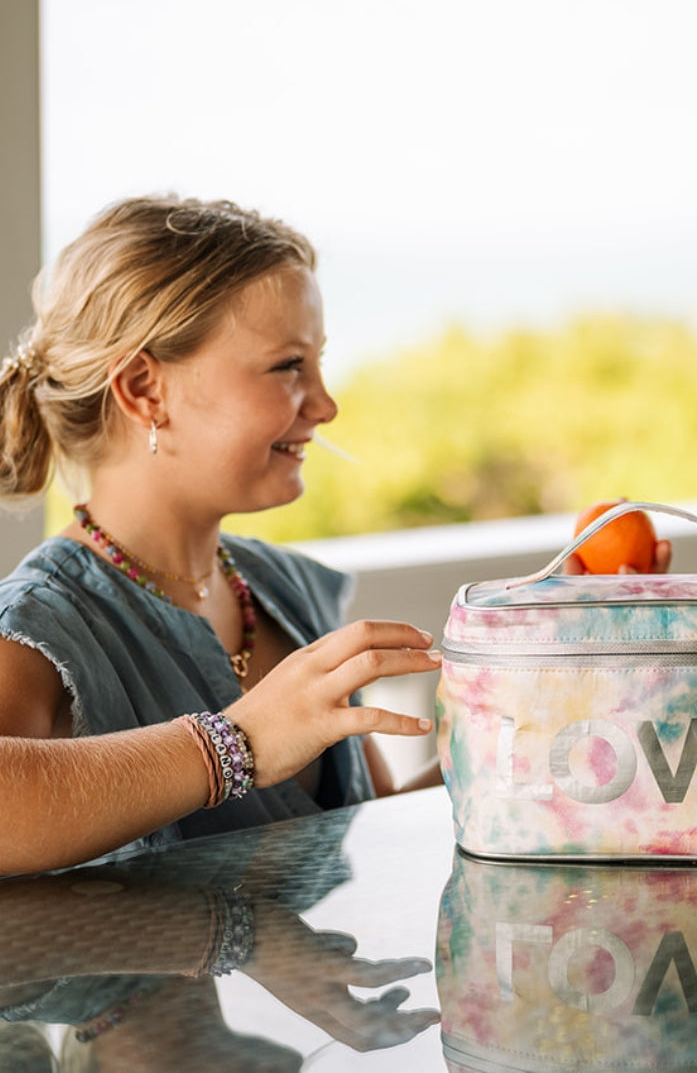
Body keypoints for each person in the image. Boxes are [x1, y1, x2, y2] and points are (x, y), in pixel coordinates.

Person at [0, 196, 443, 876]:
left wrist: (565, 668)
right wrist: (233, 746)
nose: (326, 405)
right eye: (288, 365)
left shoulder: (285, 588)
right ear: (146, 389)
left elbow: (371, 825)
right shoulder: (38, 627)